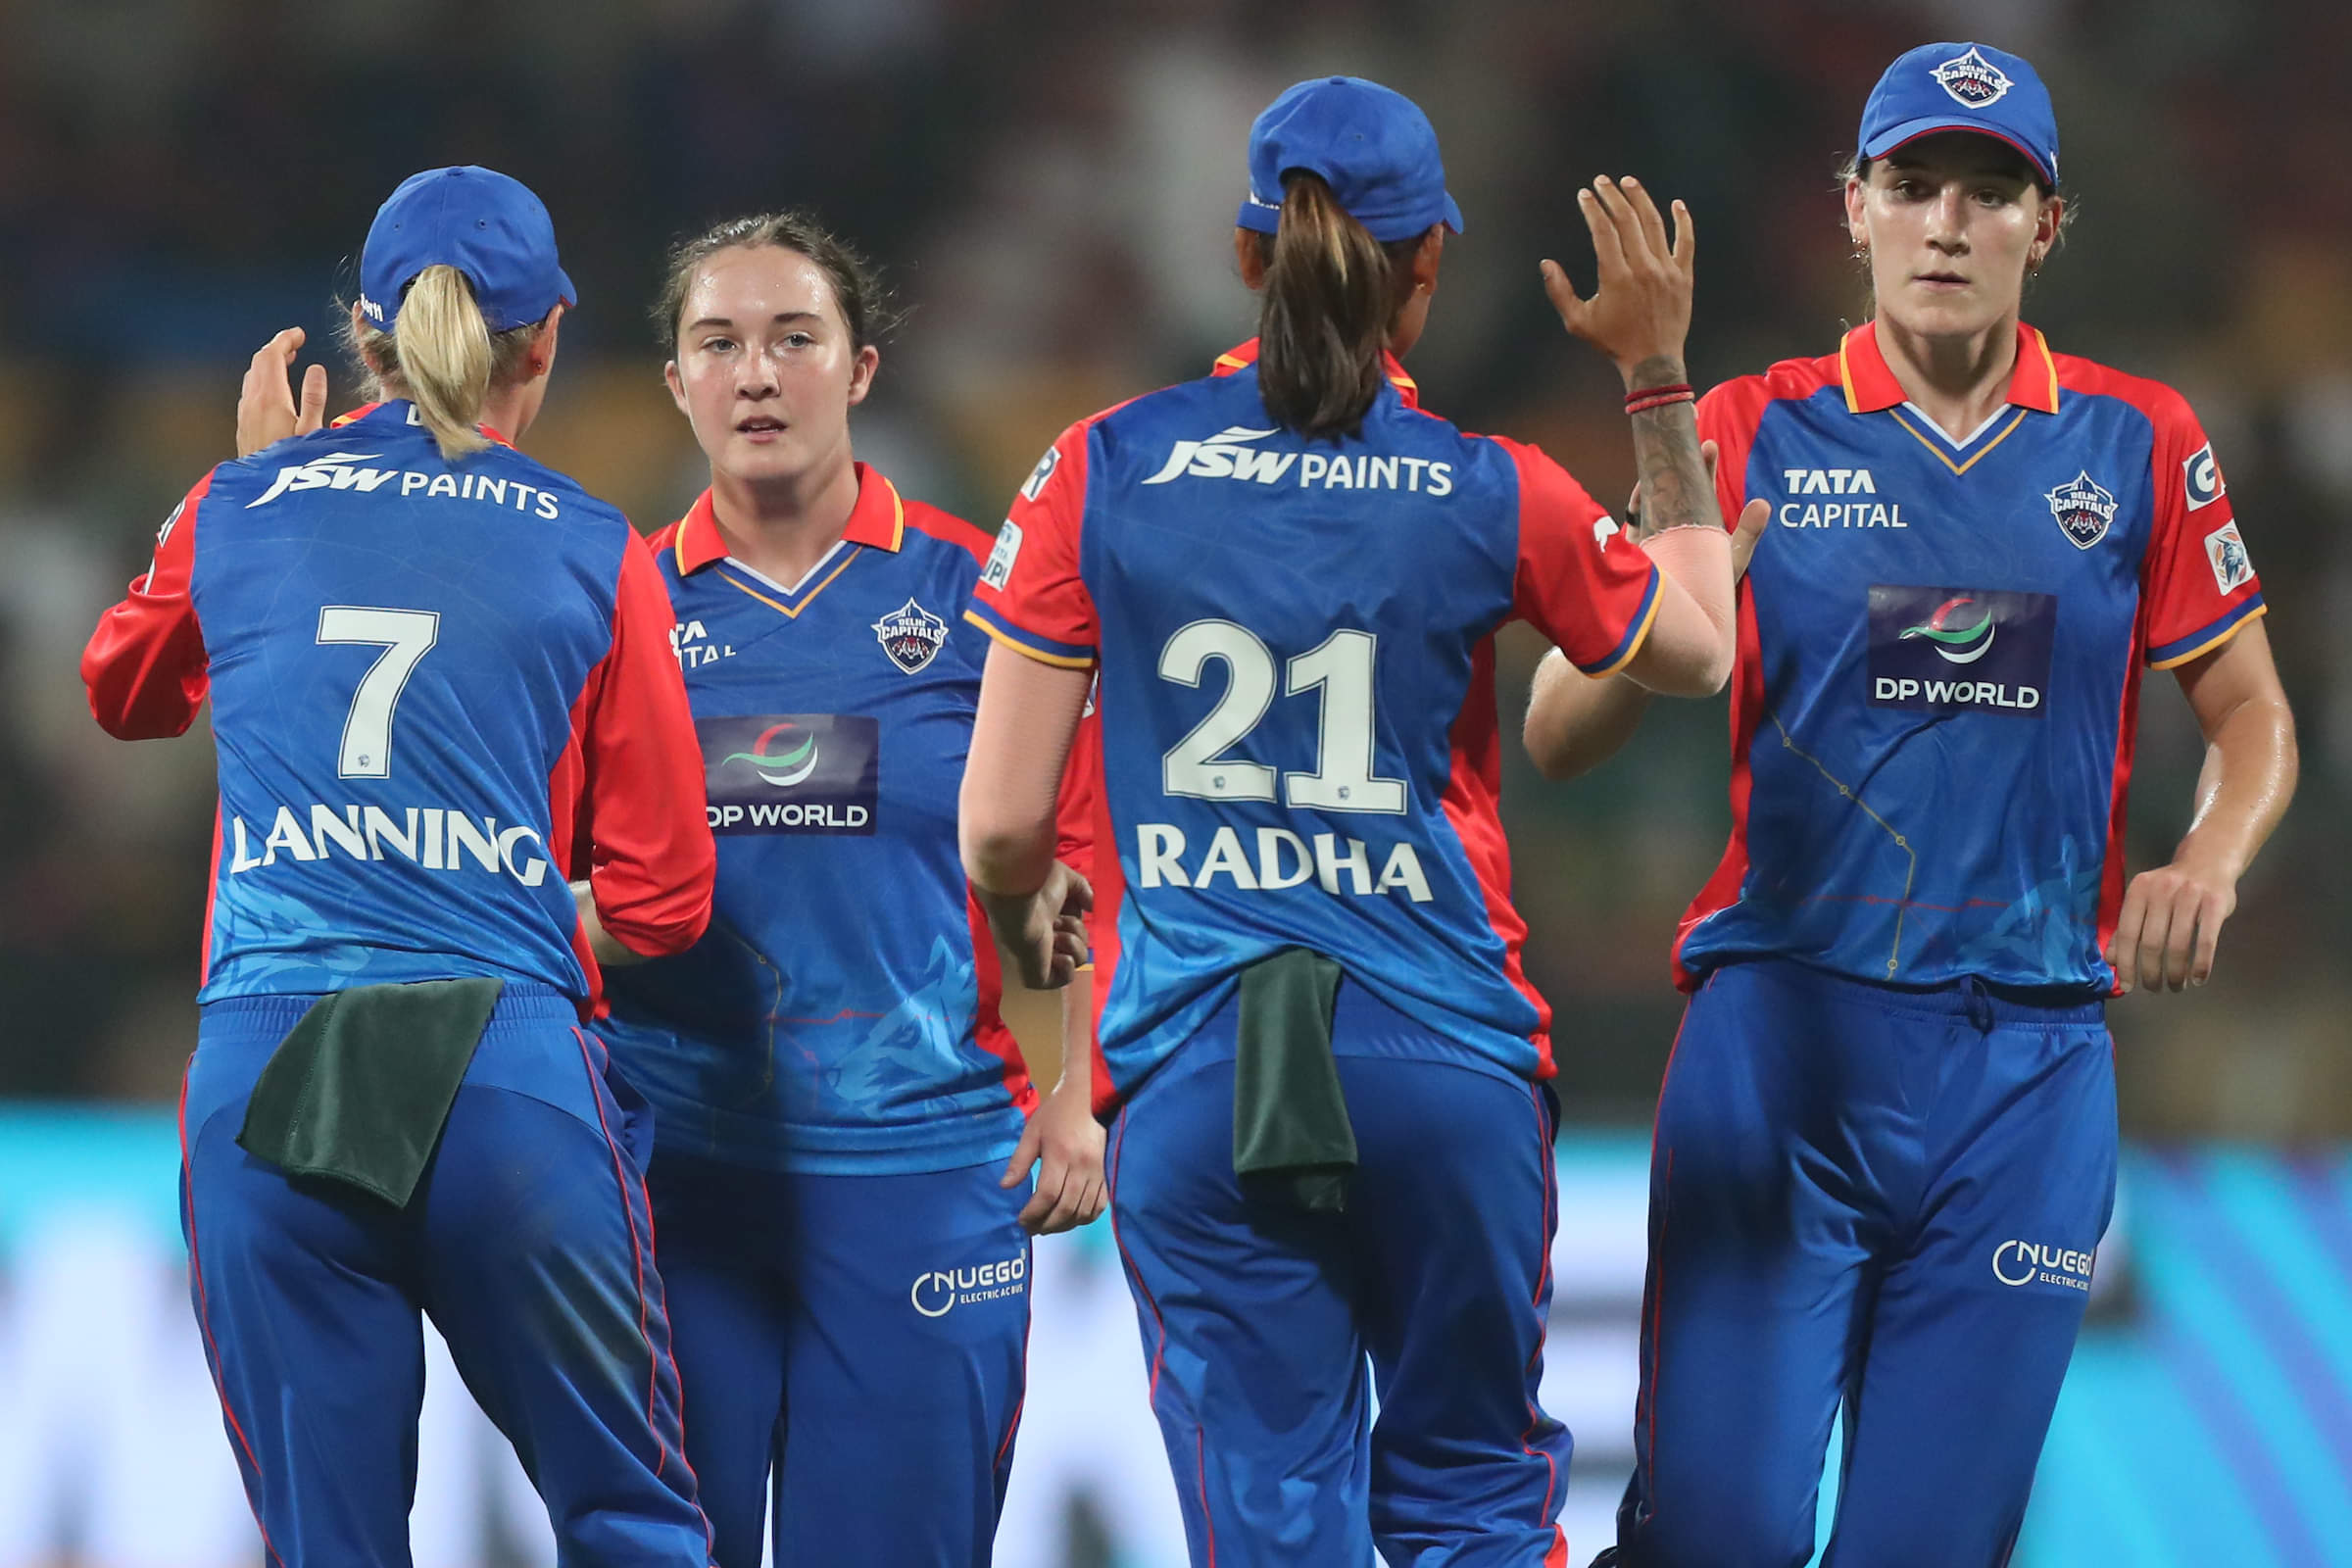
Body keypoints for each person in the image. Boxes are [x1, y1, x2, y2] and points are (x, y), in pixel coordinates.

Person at [1523, 43, 2299, 1568]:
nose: (1948, 223)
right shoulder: (1746, 428)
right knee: (1716, 1546)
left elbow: (2256, 716)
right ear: (1855, 209)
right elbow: (1556, 730)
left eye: (1991, 193)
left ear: (2045, 227)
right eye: (1914, 184)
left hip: (2026, 1079)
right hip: (1781, 1054)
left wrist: (2209, 858)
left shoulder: (2140, 441)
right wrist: (1677, 614)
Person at [960, 74, 1745, 1567]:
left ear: (1246, 255)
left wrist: (1032, 920)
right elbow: (1699, 650)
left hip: (1200, 1068)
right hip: (1448, 1061)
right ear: (1429, 263)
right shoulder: (1489, 486)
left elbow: (1001, 826)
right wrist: (1656, 380)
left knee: (1269, 1520)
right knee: (1474, 1509)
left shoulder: (1101, 466)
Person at [80, 167, 718, 1563]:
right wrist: (496, 908)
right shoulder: (597, 547)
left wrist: (245, 481)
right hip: (508, 1069)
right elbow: (670, 901)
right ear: (547, 342)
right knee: (633, 1526)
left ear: (362, 335)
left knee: (331, 1544)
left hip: (273, 1071)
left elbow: (121, 689)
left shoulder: (238, 506)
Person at [588, 212, 1102, 1567]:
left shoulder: (984, 594)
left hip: (924, 1171)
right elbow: (558, 882)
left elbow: (1086, 858)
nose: (757, 373)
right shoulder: (611, 607)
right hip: (674, 1177)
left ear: (861, 369)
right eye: (719, 344)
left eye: (794, 338)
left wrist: (1080, 1091)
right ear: (675, 383)